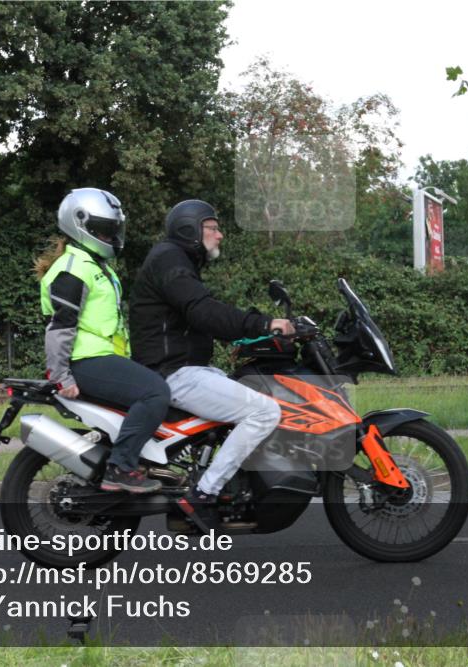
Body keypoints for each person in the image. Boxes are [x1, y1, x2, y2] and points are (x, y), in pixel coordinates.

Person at [129, 199, 295, 530]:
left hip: (185, 367)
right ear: (191, 229)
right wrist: (263, 324)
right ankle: (204, 494)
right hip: (174, 373)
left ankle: (224, 483)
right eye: (213, 227)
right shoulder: (170, 261)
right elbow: (203, 311)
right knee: (264, 411)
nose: (219, 235)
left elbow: (196, 318)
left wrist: (248, 340)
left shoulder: (177, 262)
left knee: (248, 387)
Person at [36, 187, 169, 494]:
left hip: (102, 358)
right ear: (81, 226)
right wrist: (60, 376)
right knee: (155, 393)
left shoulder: (95, 266)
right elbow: (60, 327)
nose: (112, 237)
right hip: (85, 362)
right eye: (105, 230)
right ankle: (121, 467)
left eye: (113, 230)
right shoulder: (73, 270)